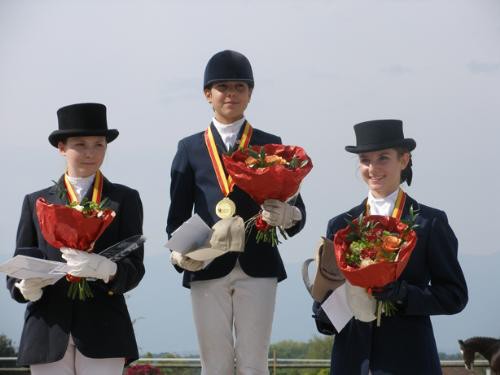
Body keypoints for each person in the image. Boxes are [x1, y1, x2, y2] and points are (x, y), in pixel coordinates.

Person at [167, 50, 307, 375]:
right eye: (222, 87)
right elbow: (176, 218)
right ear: (207, 94)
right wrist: (180, 254)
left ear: (250, 93)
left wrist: (288, 215)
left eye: (240, 87)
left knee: (253, 364)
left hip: (258, 265)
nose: (231, 94)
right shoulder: (189, 148)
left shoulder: (270, 144)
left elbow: (298, 211)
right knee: (214, 366)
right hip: (207, 264)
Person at [313, 119, 468, 375]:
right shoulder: (340, 224)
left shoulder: (429, 222)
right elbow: (330, 287)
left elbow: (455, 296)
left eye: (383, 158)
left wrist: (405, 294)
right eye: (365, 160)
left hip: (408, 357)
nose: (373, 168)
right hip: (352, 359)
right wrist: (324, 312)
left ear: (404, 160)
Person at [6, 103, 145, 375]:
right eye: (80, 144)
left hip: (104, 328)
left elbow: (135, 268)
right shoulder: (36, 201)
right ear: (61, 147)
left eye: (99, 144)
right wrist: (25, 287)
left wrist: (108, 269)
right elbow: (20, 263)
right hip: (47, 327)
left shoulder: (125, 199)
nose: (91, 153)